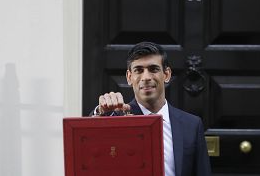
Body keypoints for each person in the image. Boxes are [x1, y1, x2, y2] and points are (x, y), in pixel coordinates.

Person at [91, 42, 212, 176]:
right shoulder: (115, 119)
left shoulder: (192, 125)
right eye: (138, 70)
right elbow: (90, 153)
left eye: (153, 69)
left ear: (166, 74)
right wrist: (100, 113)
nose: (146, 77)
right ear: (129, 77)